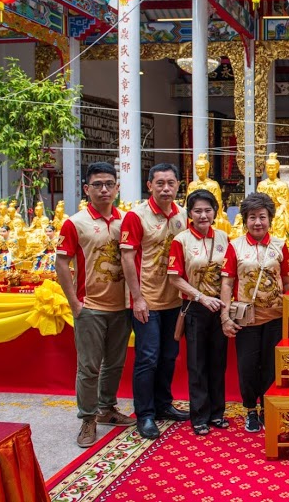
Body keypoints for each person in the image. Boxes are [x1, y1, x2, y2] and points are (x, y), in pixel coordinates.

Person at [56, 162, 134, 448]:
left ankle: (107, 409)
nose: (104, 189)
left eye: (109, 184)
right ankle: (87, 418)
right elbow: (61, 263)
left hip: (121, 307)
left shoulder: (126, 220)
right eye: (97, 184)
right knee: (89, 367)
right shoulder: (74, 222)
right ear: (87, 189)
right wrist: (74, 303)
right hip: (90, 307)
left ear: (117, 188)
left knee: (115, 363)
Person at [120, 163, 189, 439]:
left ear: (178, 185)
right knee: (147, 357)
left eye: (171, 183)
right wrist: (137, 298)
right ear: (149, 185)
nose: (165, 188)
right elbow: (127, 258)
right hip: (146, 300)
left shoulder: (182, 215)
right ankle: (145, 414)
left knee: (169, 355)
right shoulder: (136, 216)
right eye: (159, 183)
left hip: (174, 300)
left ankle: (163, 405)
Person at [221, 192, 289, 433]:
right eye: (252, 217)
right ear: (245, 220)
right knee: (248, 365)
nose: (258, 222)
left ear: (270, 219)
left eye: (262, 217)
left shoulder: (280, 245)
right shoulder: (235, 246)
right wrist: (225, 316)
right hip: (247, 319)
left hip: (275, 317)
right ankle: (251, 409)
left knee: (271, 365)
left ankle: (267, 407)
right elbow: (228, 283)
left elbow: (287, 281)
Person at [167, 189, 231, 436]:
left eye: (207, 210)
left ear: (215, 212)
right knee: (197, 364)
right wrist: (201, 297)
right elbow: (175, 278)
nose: (203, 215)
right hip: (195, 308)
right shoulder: (181, 240)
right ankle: (199, 415)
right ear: (190, 213)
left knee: (218, 362)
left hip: (220, 308)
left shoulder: (225, 237)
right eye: (197, 211)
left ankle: (217, 412)